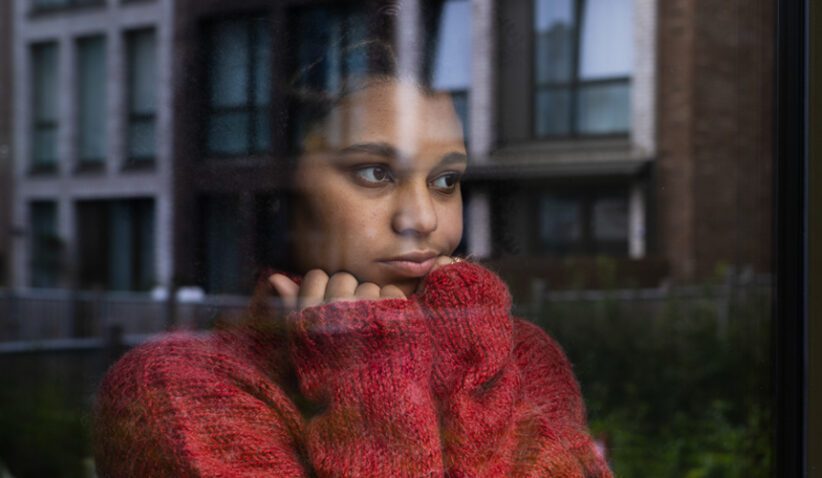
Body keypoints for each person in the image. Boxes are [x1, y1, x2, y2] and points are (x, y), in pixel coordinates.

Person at [92, 38, 613, 477]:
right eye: (374, 173)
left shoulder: (518, 354)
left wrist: (470, 366)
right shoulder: (178, 388)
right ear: (286, 192)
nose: (424, 219)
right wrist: (370, 380)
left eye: (446, 181)